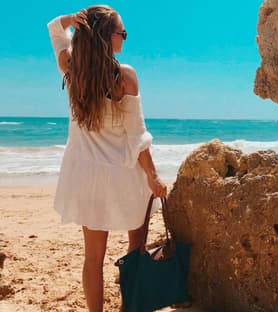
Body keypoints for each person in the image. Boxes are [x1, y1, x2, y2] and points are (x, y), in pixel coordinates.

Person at [47, 5, 167, 311]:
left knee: (93, 258)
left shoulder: (72, 71)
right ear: (105, 36)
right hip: (124, 176)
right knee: (135, 247)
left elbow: (54, 29)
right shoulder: (124, 76)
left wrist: (69, 21)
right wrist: (153, 176)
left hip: (86, 178)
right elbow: (137, 136)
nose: (124, 38)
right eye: (121, 33)